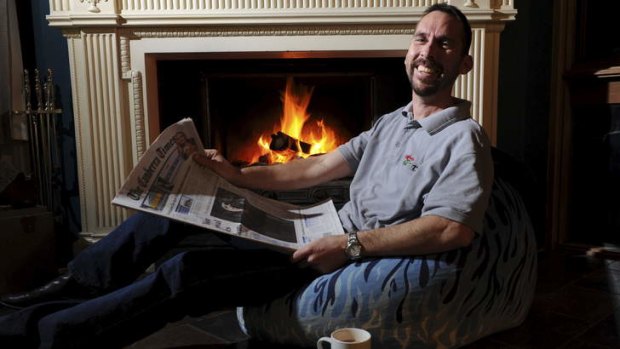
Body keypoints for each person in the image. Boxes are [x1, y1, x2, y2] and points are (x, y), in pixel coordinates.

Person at [0, 3, 494, 348]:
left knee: (184, 274)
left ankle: (39, 336)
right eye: (422, 38)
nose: (428, 51)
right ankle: (66, 288)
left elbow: (453, 228)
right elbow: (319, 165)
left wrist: (350, 247)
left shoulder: (463, 138)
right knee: (164, 221)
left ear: (464, 61)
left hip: (336, 253)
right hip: (313, 223)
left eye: (445, 44)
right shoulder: (391, 122)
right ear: (409, 48)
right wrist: (234, 174)